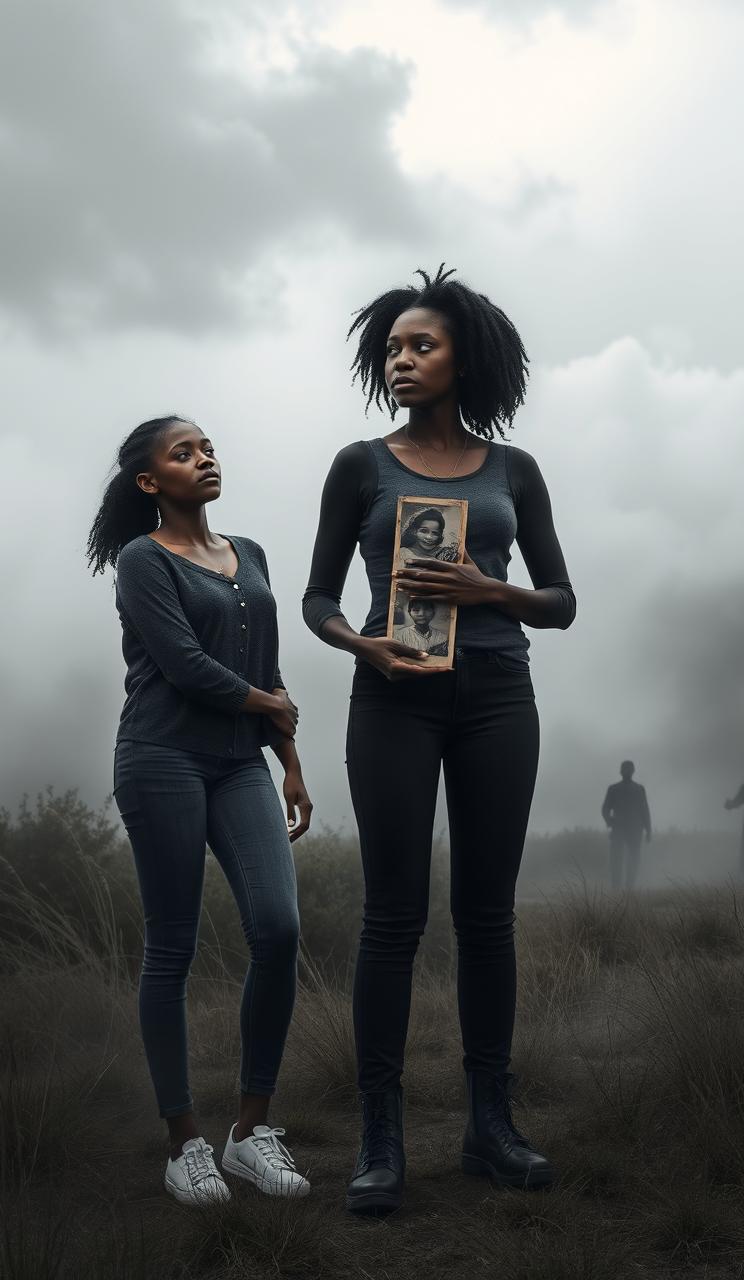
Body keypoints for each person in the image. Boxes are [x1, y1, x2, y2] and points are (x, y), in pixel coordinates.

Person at [303, 265, 576, 1213]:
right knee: (393, 917)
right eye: (393, 350)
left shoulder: (515, 471)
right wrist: (361, 643)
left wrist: (489, 592)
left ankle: (488, 1127)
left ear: (464, 357)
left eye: (422, 345)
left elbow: (563, 602)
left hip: (499, 693)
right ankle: (380, 1140)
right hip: (394, 697)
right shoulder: (359, 466)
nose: (403, 360)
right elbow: (316, 597)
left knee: (487, 916)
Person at [87, 415, 313, 1207]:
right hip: (161, 758)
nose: (204, 457)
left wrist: (288, 762)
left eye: (207, 446)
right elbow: (184, 665)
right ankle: (183, 1143)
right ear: (151, 482)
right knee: (172, 946)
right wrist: (267, 705)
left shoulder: (245, 553)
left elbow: (268, 668)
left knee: (279, 929)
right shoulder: (142, 561)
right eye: (183, 452)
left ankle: (250, 1134)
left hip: (238, 765)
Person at [601, 761, 651, 890]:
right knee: (616, 859)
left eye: (629, 769)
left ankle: (630, 886)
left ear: (633, 771)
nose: (627, 771)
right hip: (619, 828)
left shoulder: (639, 789)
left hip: (635, 829)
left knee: (634, 858)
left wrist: (649, 830)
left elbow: (645, 810)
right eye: (625, 769)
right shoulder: (613, 789)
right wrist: (610, 821)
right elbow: (605, 808)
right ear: (621, 771)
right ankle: (616, 886)